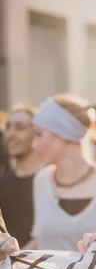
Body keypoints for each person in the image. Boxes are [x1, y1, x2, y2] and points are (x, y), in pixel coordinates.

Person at [27, 94, 96, 251]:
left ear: (62, 134)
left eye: (39, 134)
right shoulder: (42, 180)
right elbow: (40, 241)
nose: (34, 144)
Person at [0, 106, 42, 247]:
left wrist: (20, 258)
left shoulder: (50, 181)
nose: (11, 134)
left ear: (36, 133)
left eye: (20, 128)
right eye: (8, 127)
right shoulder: (3, 182)